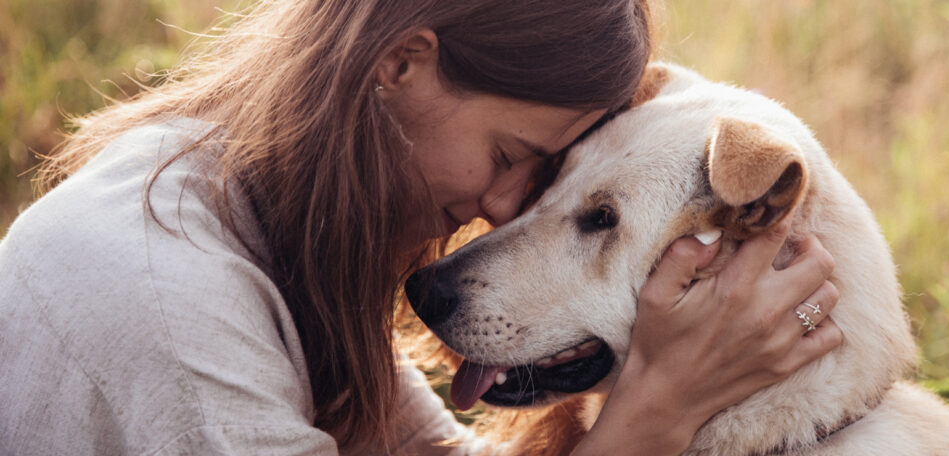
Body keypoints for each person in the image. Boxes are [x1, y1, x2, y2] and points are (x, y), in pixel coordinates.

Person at [0, 1, 843, 454]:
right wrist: (661, 408)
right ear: (399, 65)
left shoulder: (257, 200)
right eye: (510, 153)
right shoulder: (169, 302)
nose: (509, 206)